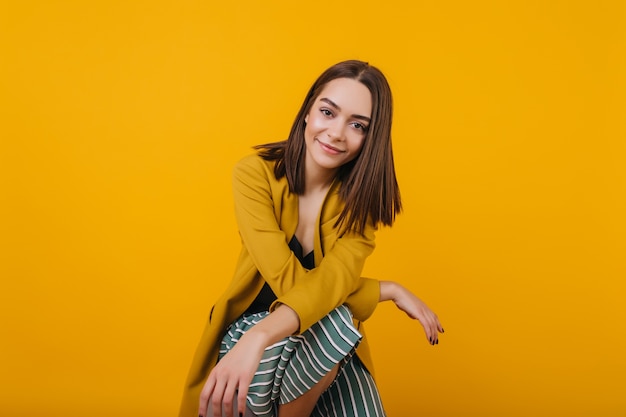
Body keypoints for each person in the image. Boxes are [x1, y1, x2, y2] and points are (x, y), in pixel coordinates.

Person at [179, 60, 444, 417]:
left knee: (336, 324)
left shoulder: (358, 208)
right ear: (307, 112)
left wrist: (342, 292)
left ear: (371, 137)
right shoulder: (255, 174)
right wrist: (383, 290)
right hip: (250, 342)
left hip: (319, 351)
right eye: (327, 112)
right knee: (338, 318)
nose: (336, 133)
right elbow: (291, 282)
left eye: (357, 125)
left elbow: (329, 289)